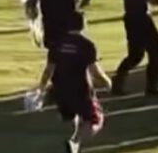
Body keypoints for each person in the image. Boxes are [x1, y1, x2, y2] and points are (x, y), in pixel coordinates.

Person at [36, 11, 111, 153]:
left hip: (60, 89)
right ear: (83, 25)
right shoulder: (86, 45)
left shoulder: (57, 44)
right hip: (81, 89)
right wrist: (107, 82)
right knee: (95, 120)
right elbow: (94, 72)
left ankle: (74, 144)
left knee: (74, 115)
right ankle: (75, 142)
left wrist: (41, 88)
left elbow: (48, 70)